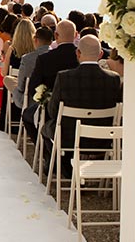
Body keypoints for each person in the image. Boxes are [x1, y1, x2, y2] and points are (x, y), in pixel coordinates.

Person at [42, 35, 122, 179]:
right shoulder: (114, 79)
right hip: (103, 138)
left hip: (68, 137)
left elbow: (53, 111)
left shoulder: (64, 77)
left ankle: (61, 168)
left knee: (46, 127)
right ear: (101, 54)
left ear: (78, 53)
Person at [22, 20, 80, 140]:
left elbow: (33, 88)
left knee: (27, 115)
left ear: (56, 36)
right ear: (75, 35)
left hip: (51, 110)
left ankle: (46, 151)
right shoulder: (81, 57)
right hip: (79, 108)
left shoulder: (45, 59)